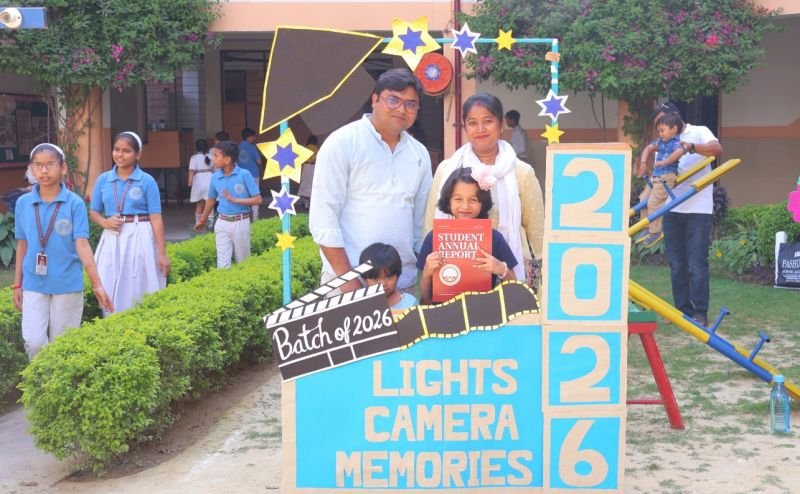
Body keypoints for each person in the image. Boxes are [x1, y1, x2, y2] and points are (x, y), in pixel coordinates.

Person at [309, 68, 432, 294]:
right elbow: (324, 218)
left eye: (410, 104)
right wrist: (349, 283)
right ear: (375, 99)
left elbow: (420, 223)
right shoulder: (342, 143)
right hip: (347, 282)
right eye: (393, 100)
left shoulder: (419, 154)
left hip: (401, 283)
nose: (401, 109)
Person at [425, 93, 544, 286]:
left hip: (510, 271)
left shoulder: (522, 172)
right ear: (465, 127)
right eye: (472, 123)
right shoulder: (447, 170)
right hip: (457, 271)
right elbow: (432, 223)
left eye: (488, 121)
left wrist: (538, 271)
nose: (480, 129)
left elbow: (537, 231)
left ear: (501, 125)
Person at [13, 144, 113, 358]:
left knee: (63, 346)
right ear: (31, 169)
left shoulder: (74, 203)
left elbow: (82, 244)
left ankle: (55, 380)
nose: (43, 171)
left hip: (67, 282)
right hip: (34, 281)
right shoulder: (23, 203)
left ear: (63, 168)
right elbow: (22, 244)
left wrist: (97, 284)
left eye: (50, 164)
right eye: (38, 165)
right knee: (34, 342)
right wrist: (17, 284)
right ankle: (40, 379)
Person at [652, 102, 723, 327]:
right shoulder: (663, 141)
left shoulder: (699, 131)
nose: (661, 128)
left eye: (663, 122)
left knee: (696, 263)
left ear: (675, 118)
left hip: (698, 209)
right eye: (658, 125)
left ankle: (700, 313)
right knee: (676, 264)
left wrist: (691, 146)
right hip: (672, 209)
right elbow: (659, 173)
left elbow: (716, 149)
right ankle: (682, 311)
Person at [90, 131, 169, 315]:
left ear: (138, 154)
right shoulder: (103, 179)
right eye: (116, 149)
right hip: (112, 236)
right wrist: (105, 222)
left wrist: (162, 253)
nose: (120, 154)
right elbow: (94, 212)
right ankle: (112, 321)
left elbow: (156, 218)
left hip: (140, 234)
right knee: (109, 279)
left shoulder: (147, 181)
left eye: (126, 151)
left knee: (139, 282)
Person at [418, 167, 517, 304]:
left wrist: (501, 268)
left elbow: (515, 290)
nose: (465, 206)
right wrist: (427, 272)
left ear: (483, 203)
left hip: (482, 313)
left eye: (473, 200)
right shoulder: (434, 237)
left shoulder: (494, 238)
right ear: (448, 201)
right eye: (458, 199)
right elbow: (425, 298)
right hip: (443, 313)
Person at [194, 140, 262, 268]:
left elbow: (258, 199)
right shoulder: (215, 177)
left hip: (241, 222)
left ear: (227, 160)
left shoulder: (244, 174)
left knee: (243, 262)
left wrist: (236, 200)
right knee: (222, 264)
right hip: (222, 222)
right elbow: (211, 199)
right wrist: (202, 220)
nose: (212, 159)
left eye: (216, 156)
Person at [636, 112, 689, 248]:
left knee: (654, 202)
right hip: (656, 176)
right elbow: (648, 148)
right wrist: (643, 163)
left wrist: (665, 162)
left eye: (662, 130)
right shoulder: (660, 142)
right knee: (643, 199)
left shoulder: (676, 143)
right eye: (658, 131)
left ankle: (655, 232)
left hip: (666, 176)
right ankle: (646, 227)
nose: (659, 134)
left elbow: (679, 152)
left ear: (673, 129)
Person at [359, 242, 417, 310]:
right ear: (365, 279)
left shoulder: (410, 303)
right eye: (375, 279)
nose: (383, 284)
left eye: (388, 277)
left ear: (397, 276)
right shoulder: (361, 307)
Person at [238, 128, 263, 221]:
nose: (254, 138)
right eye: (253, 137)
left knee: (243, 196)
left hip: (241, 175)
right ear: (248, 137)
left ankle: (244, 218)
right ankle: (255, 218)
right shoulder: (252, 147)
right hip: (253, 174)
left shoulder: (238, 147)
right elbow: (259, 161)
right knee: (255, 195)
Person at [187, 138, 213, 226]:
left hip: (198, 180)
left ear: (196, 147)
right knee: (210, 203)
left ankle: (198, 223)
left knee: (199, 203)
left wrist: (189, 182)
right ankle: (211, 224)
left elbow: (191, 170)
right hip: (209, 179)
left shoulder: (194, 158)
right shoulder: (211, 156)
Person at [298, 135, 318, 210]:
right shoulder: (317, 149)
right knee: (313, 185)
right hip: (314, 167)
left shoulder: (305, 148)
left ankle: (306, 203)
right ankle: (312, 204)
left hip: (306, 167)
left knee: (305, 185)